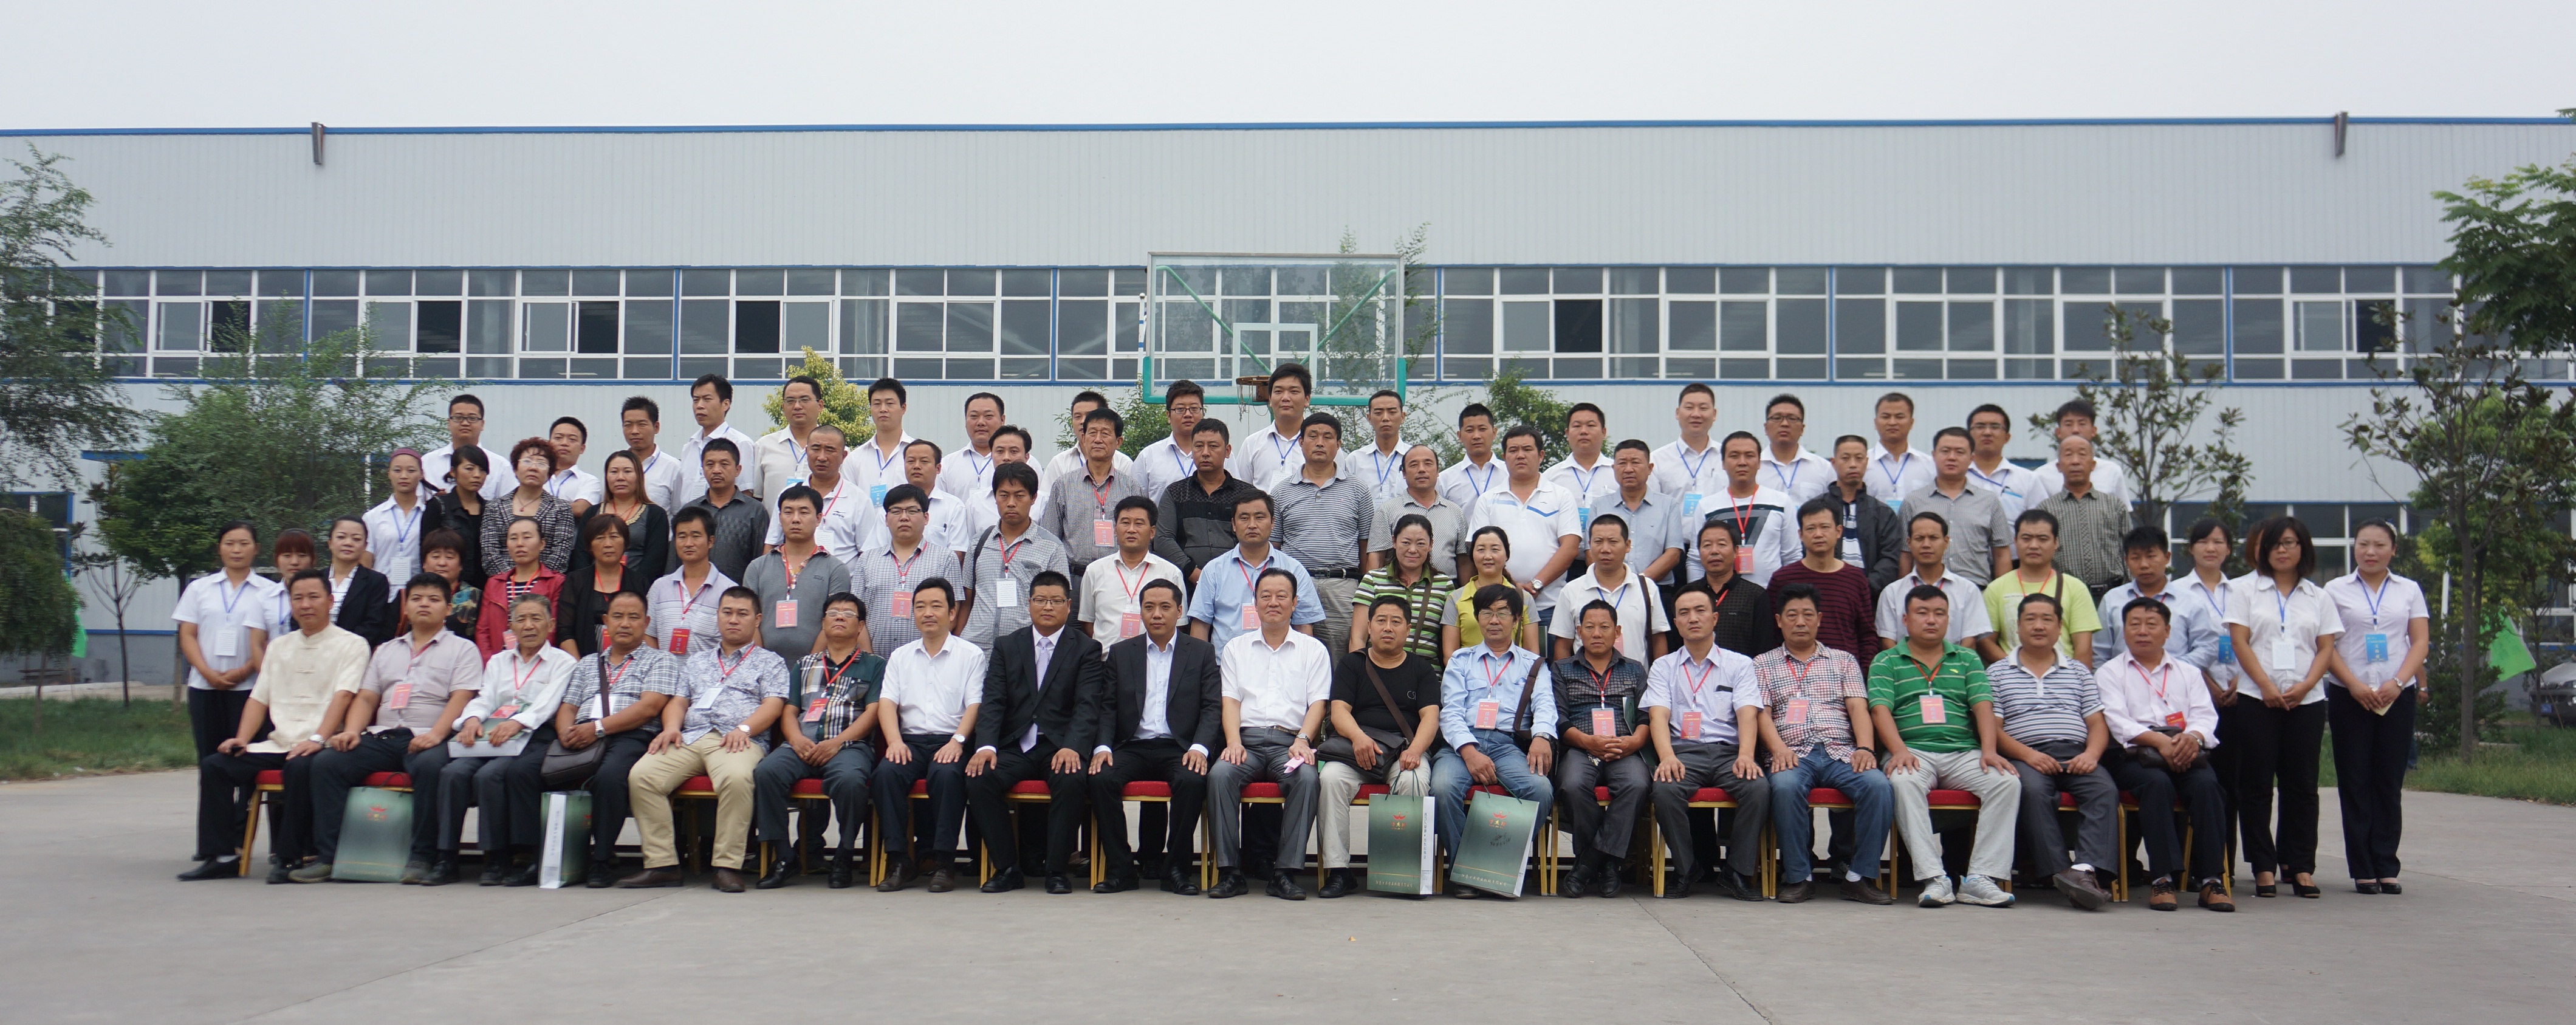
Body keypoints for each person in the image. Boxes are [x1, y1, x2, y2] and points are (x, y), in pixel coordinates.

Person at [177, 569, 360, 882]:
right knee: (216, 766)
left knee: (299, 768)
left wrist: (318, 738)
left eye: (314, 597)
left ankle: (289, 858)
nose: (306, 605)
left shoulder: (352, 644)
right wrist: (242, 739)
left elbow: (344, 697)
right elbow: (259, 699)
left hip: (322, 745)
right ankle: (221, 856)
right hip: (278, 743)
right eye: (298, 598)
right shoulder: (279, 646)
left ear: (330, 602)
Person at [302, 573, 479, 884]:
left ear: (448, 608)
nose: (424, 605)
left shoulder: (464, 649)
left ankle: (423, 857)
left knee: (430, 767)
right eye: (417, 599)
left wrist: (436, 734)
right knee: (328, 763)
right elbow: (367, 697)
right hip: (383, 735)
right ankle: (329, 857)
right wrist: (352, 731)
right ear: (405, 607)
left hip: (430, 734)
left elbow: (461, 697)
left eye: (434, 599)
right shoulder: (385, 650)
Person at [618, 586, 789, 892]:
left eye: (742, 614)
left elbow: (773, 705)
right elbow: (679, 701)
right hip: (691, 737)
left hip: (738, 740)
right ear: (717, 616)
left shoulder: (771, 662)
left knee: (737, 779)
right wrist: (671, 728)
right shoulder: (697, 661)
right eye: (727, 612)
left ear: (757, 620)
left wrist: (745, 729)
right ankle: (662, 865)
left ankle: (727, 867)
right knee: (643, 776)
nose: (733, 620)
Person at [1870, 584, 2021, 908]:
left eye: (1939, 613)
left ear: (1949, 619)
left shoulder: (1966, 659)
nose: (1931, 620)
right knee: (1903, 782)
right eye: (1922, 613)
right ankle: (1934, 877)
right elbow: (1880, 710)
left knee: (2007, 782)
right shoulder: (1887, 660)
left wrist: (1990, 750)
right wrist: (1898, 750)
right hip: (1912, 751)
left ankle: (1981, 878)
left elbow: (1983, 707)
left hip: (1963, 752)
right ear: (1905, 620)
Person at [1750, 582, 1894, 905]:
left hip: (1840, 751)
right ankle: (1798, 877)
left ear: (1819, 619)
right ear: (1779, 621)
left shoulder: (1843, 660)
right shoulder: (1762, 663)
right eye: (1792, 615)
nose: (1800, 622)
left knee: (1878, 786)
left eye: (1807, 615)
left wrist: (1865, 748)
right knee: (1785, 787)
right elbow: (1761, 714)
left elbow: (1858, 708)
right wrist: (1778, 750)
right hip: (1791, 752)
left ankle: (1859, 877)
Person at [965, 570, 1103, 894]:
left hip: (1059, 746)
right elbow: (994, 701)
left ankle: (1056, 870)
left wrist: (1073, 746)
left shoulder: (1086, 649)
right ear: (1029, 604)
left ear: (1069, 606)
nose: (1048, 607)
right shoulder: (1007, 646)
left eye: (1056, 601)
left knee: (1071, 779)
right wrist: (986, 746)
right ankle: (1007, 868)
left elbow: (1087, 705)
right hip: (1016, 745)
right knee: (979, 777)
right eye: (1040, 600)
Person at [1087, 578, 1222, 895]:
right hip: (1132, 745)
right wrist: (1103, 746)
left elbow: (1212, 706)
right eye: (1149, 607)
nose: (1157, 614)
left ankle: (1176, 870)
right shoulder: (1122, 653)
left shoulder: (1201, 652)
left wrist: (1200, 748)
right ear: (1141, 612)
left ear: (1180, 611)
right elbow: (1107, 707)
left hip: (1179, 747)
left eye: (1165, 607)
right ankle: (1121, 869)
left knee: (1192, 780)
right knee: (1100, 778)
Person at [1204, 568, 1333, 900]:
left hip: (1289, 744)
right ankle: (1230, 872)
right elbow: (1230, 702)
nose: (1273, 603)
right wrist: (1233, 742)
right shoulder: (1236, 648)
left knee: (1307, 779)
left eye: (1281, 596)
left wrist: (1303, 740)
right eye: (1266, 596)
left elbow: (1318, 704)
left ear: (1295, 603)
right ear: (1255, 602)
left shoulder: (1313, 650)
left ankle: (1284, 873)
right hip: (1245, 742)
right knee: (1220, 775)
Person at [2099, 597, 2235, 911]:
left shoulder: (2188, 672)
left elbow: (2205, 715)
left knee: (2208, 787)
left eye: (2151, 625)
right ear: (2124, 630)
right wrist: (2159, 742)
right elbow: (2116, 720)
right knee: (2157, 785)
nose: (2142, 631)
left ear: (2168, 631)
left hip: (2185, 749)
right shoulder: (2109, 672)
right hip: (2134, 756)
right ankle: (2163, 878)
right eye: (2134, 624)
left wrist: (2193, 737)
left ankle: (2211, 880)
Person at [2227, 517, 2337, 900]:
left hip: (2307, 700)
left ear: (2303, 548)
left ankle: (2301, 865)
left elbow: (2326, 647)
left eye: (2290, 543)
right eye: (2275, 544)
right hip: (2257, 699)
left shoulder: (2318, 596)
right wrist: (2266, 686)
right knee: (2256, 784)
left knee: (2302, 785)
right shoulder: (2244, 590)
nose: (2282, 550)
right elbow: (2240, 642)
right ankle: (2263, 866)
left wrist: (2306, 685)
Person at [1985, 593, 2118, 910]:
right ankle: (2061, 871)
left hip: (2076, 753)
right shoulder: (1997, 672)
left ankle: (2083, 870)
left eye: (2047, 619)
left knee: (2105, 789)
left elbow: (2097, 723)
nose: (2039, 626)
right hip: (2024, 755)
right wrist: (2028, 755)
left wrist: (2092, 755)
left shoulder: (2079, 671)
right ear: (2018, 627)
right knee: (2032, 791)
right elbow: (1993, 729)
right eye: (2030, 619)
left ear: (2060, 628)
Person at [437, 592, 577, 886]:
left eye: (536, 618)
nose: (529, 625)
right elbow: (485, 697)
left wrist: (518, 722)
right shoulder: (499, 661)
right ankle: (446, 858)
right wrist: (471, 719)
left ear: (550, 624)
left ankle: (496, 859)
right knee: (452, 774)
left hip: (535, 734)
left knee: (490, 776)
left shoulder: (563, 662)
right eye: (521, 619)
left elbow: (549, 703)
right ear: (511, 626)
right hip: (493, 731)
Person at [1643, 583, 1770, 901]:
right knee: (1665, 790)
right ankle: (1687, 869)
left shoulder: (1739, 664)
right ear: (1676, 623)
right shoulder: (1663, 666)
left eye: (1700, 611)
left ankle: (1736, 871)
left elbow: (1748, 713)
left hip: (1729, 753)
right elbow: (1658, 716)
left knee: (1757, 788)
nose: (1693, 618)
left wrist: (1746, 755)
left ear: (1715, 617)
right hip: (1684, 753)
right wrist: (1667, 757)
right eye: (1684, 613)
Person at [2323, 519, 2430, 895]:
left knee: (2388, 781)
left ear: (2393, 550)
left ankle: (2386, 864)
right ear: (2354, 548)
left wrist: (2398, 683)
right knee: (2355, 780)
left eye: (2380, 545)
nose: (2370, 552)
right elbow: (2326, 645)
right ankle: (2362, 868)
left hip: (2395, 695)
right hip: (2349, 694)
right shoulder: (2335, 590)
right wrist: (2353, 685)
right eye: (2363, 544)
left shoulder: (2409, 590)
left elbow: (2419, 642)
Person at [1430, 584, 1557, 899]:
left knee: (1540, 789)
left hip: (1507, 745)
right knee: (1442, 788)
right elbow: (1450, 712)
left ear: (1517, 620)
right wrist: (1469, 752)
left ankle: (1496, 865)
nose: (1494, 620)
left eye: (1502, 613)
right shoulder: (1461, 660)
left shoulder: (1534, 664)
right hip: (1461, 744)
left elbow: (1545, 705)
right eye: (1487, 613)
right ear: (1478, 618)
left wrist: (1542, 736)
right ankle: (1464, 871)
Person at [1314, 594, 1444, 898]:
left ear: (1408, 629)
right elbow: (1339, 712)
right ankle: (1338, 871)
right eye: (1381, 621)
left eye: (1396, 622)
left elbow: (1430, 718)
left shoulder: (1421, 668)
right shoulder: (1351, 664)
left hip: (1403, 751)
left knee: (1413, 779)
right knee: (1330, 779)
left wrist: (1415, 750)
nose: (1388, 628)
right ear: (1369, 626)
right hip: (1356, 751)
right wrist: (1359, 738)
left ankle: (1401, 871)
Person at [752, 591, 882, 890]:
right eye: (833, 613)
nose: (840, 617)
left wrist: (837, 743)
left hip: (848, 746)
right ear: (823, 622)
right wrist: (795, 739)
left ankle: (844, 855)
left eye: (848, 614)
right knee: (766, 773)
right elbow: (790, 710)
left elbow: (873, 712)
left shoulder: (874, 665)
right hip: (802, 744)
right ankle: (785, 856)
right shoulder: (804, 664)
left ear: (861, 626)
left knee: (851, 781)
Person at [552, 589, 680, 886]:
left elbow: (649, 708)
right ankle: (545, 857)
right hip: (582, 735)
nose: (625, 623)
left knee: (610, 777)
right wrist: (565, 735)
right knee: (543, 772)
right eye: (618, 616)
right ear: (606, 621)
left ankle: (601, 859)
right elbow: (568, 707)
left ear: (646, 623)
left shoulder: (661, 660)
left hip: (631, 735)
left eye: (634, 617)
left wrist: (597, 728)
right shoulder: (587, 663)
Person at [872, 578, 983, 893]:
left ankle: (944, 861)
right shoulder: (900, 656)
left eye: (936, 606)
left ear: (952, 613)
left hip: (952, 740)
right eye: (920, 607)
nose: (928, 613)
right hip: (909, 741)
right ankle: (898, 860)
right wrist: (894, 741)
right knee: (886, 774)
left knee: (947, 776)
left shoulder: (971, 655)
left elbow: (975, 705)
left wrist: (957, 742)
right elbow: (887, 703)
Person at [1551, 599, 1653, 897]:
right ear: (1579, 631)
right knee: (1572, 785)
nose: (1597, 633)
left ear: (1617, 632)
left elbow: (1646, 716)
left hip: (1625, 748)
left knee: (1637, 784)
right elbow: (1559, 718)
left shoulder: (1634, 670)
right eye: (1590, 627)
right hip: (1581, 747)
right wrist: (1588, 742)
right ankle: (1608, 865)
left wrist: (1635, 742)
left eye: (1605, 627)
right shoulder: (1561, 669)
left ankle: (1589, 864)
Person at [1272, 412, 1375, 654]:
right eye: (1313, 436)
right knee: (1293, 653)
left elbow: (1367, 545)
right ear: (1301, 442)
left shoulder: (1358, 489)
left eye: (1328, 437)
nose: (1320, 443)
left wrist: (1364, 588)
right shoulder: (1281, 492)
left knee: (1341, 656)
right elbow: (1274, 546)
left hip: (1343, 586)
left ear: (1338, 444)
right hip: (1295, 584)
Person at [1461, 425, 1581, 631]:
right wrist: (1512, 587)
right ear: (1504, 457)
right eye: (1513, 450)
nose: (1520, 455)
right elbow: (1478, 550)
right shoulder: (1488, 500)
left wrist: (1536, 584)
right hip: (1499, 607)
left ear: (1541, 455)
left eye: (1527, 449)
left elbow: (1570, 547)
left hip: (1550, 606)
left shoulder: (1561, 496)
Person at [1036, 406, 1159, 595]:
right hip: (1073, 579)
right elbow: (1050, 539)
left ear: (1118, 442)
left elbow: (1143, 539)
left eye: (1105, 433)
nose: (1098, 439)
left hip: (1118, 578)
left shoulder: (1131, 487)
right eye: (1092, 433)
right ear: (1084, 438)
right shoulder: (1063, 485)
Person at [1187, 492, 1326, 648]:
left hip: (1282, 659)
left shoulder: (1294, 569)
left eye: (1259, 517)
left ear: (1273, 522)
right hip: (1227, 660)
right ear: (1233, 524)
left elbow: (1304, 624)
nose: (1252, 525)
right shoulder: (1214, 570)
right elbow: (1201, 625)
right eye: (1244, 518)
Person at [961, 462, 1071, 650]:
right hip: (976, 647)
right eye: (1004, 495)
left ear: (1034, 498)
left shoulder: (1052, 547)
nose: (1011, 503)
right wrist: (959, 643)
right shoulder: (979, 542)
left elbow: (1060, 605)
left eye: (1019, 496)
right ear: (995, 497)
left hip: (1023, 651)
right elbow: (967, 599)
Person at [742, 484, 851, 668]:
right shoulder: (757, 567)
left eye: (804, 512)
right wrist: (763, 663)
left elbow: (834, 622)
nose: (795, 519)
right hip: (762, 666)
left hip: (819, 666)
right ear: (779, 518)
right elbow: (748, 618)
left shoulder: (835, 569)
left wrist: (809, 665)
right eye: (788, 512)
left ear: (818, 519)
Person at [1875, 511, 2002, 661]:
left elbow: (1970, 642)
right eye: (1919, 538)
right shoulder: (1892, 592)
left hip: (1955, 669)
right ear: (1909, 543)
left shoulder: (1968, 590)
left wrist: (1946, 668)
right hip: (1904, 670)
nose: (1926, 545)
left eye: (1933, 538)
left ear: (1946, 542)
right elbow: (1888, 642)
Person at [2094, 526, 2223, 670]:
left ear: (2167, 557)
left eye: (2151, 556)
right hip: (2122, 680)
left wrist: (2172, 669)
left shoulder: (2190, 601)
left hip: (2176, 680)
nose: (2144, 565)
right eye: (2135, 558)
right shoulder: (2112, 600)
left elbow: (2207, 647)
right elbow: (2100, 653)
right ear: (2126, 561)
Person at [1982, 509, 2101, 666]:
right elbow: (1986, 643)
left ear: (2056, 543)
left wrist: (2074, 678)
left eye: (2043, 539)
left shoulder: (2075, 588)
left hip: (2063, 676)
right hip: (2012, 676)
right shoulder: (1996, 588)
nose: (2034, 546)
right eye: (2026, 539)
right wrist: (2015, 669)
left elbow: (2083, 648)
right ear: (2015, 541)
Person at [1767, 498, 1879, 660]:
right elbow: (1771, 633)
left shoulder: (1855, 579)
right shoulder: (1783, 579)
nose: (1818, 534)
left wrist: (1862, 671)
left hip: (1845, 672)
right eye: (1811, 528)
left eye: (1825, 527)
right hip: (1793, 670)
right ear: (1801, 535)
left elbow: (1867, 635)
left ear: (1839, 531)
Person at [1902, 427, 2016, 586]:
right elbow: (1905, 553)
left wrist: (2001, 593)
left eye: (1960, 452)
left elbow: (2001, 554)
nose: (1952, 457)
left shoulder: (1989, 501)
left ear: (1971, 458)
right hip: (1925, 590)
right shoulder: (1914, 501)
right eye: (1945, 451)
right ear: (1934, 455)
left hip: (1976, 589)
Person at [1549, 515, 1670, 663]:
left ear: (1627, 545)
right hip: (1585, 677)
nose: (1605, 549)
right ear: (1590, 545)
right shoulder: (1571, 590)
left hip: (1637, 677)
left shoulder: (1646, 588)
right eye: (1598, 542)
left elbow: (1658, 639)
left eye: (1613, 542)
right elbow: (1563, 645)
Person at [1682, 432, 1796, 587]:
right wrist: (1699, 596)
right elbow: (1696, 560)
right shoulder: (1707, 506)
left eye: (1749, 456)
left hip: (1771, 594)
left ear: (1759, 462)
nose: (1742, 462)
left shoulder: (1781, 502)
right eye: (1734, 456)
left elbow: (1791, 557)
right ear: (1723, 463)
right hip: (1720, 596)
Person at [1158, 419, 1262, 584]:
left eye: (1213, 446)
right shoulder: (1175, 493)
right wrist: (1193, 573)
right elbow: (1163, 539)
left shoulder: (1247, 495)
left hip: (1238, 581)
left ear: (1227, 451)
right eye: (1199, 446)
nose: (1205, 453)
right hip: (1185, 583)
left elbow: (1256, 538)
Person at [2034, 435, 2131, 597]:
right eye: (2068, 455)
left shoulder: (2115, 506)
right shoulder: (2046, 510)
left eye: (2082, 454)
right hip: (2064, 595)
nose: (2075, 461)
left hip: (2111, 594)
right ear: (2059, 466)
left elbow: (2129, 550)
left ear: (2093, 465)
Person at [1078, 496, 1185, 644]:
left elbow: (1179, 624)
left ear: (1152, 532)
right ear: (1115, 529)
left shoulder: (1171, 573)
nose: (1131, 530)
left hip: (1152, 656)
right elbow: (1088, 622)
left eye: (1139, 524)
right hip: (1106, 656)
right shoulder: (1095, 571)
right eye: (1125, 523)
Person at [1349, 513, 1454, 660]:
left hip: (1427, 671)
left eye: (1421, 544)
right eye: (1406, 542)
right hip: (1377, 669)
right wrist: (1360, 669)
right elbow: (1358, 638)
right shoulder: (1373, 580)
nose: (1413, 550)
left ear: (1431, 545)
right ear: (1394, 541)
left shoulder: (1444, 584)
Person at [855, 484, 944, 656]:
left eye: (912, 511)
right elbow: (856, 614)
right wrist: (871, 661)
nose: (904, 517)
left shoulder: (945, 559)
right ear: (886, 519)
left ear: (926, 517)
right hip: (874, 661)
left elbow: (951, 613)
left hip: (926, 658)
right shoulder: (867, 560)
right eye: (896, 511)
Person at [553, 514, 649, 660]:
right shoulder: (575, 580)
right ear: (590, 545)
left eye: (614, 537)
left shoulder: (639, 582)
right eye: (600, 538)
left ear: (626, 542)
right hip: (582, 661)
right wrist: (581, 666)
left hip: (630, 663)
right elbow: (565, 631)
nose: (608, 544)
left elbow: (645, 630)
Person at [860, 438, 972, 561]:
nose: (917, 466)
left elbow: (957, 554)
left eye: (924, 461)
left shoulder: (954, 507)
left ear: (938, 468)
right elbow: (874, 551)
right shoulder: (892, 505)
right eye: (911, 461)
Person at [1365, 442, 1467, 577]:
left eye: (1428, 464)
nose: (1422, 470)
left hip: (1446, 587)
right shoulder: (1387, 511)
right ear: (1404, 473)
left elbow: (1464, 561)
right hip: (1398, 587)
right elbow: (1376, 557)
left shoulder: (1455, 512)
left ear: (1438, 471)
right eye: (1414, 465)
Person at [764, 425, 863, 564]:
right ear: (807, 452)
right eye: (816, 449)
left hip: (843, 577)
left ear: (843, 456)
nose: (822, 457)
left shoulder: (859, 499)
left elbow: (867, 551)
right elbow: (772, 543)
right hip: (793, 575)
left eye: (830, 450)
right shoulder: (789, 494)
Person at [1818, 435, 1904, 594]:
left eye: (1859, 458)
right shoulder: (1817, 509)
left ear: (1867, 462)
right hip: (1826, 593)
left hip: (1869, 596)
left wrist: (1864, 588)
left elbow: (1890, 559)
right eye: (1845, 458)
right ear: (1833, 462)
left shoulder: (1882, 513)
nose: (1853, 464)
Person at [648, 507, 737, 658]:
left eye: (696, 536)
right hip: (665, 672)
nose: (688, 543)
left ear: (711, 541)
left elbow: (733, 643)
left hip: (708, 673)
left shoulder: (729, 591)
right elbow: (649, 635)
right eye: (682, 537)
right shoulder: (659, 587)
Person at [481, 437, 577, 577]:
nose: (533, 468)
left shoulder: (561, 509)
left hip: (546, 584)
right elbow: (490, 554)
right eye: (527, 461)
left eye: (541, 463)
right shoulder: (495, 507)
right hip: (502, 583)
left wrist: (534, 581)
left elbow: (560, 556)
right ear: (515, 468)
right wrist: (511, 580)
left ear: (549, 473)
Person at [476, 516, 566, 658]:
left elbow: (552, 629)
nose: (520, 544)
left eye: (527, 537)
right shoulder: (495, 583)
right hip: (499, 661)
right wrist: (491, 663)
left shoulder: (555, 582)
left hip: (539, 660)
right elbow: (483, 630)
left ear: (542, 544)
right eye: (513, 538)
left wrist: (534, 659)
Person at [1601, 439, 1685, 588]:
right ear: (1613, 468)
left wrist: (1638, 583)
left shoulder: (1668, 505)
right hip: (1609, 587)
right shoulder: (1600, 506)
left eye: (1635, 463)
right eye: (1622, 463)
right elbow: (1591, 551)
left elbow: (1673, 553)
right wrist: (1617, 583)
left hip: (1657, 588)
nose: (1628, 469)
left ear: (1650, 468)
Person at [1445, 526, 1540, 654]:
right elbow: (1450, 654)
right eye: (1481, 550)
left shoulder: (1524, 598)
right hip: (1467, 667)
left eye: (1495, 550)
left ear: (1507, 555)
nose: (1488, 556)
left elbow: (1532, 652)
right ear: (1472, 555)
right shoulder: (1456, 598)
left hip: (1514, 667)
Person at [1543, 403, 1621, 557]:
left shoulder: (1617, 473)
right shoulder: (1551, 477)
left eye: (1591, 425)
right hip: (1562, 561)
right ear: (1567, 433)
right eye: (1577, 426)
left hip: (1609, 559)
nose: (1584, 431)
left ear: (1604, 432)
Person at [684, 437, 767, 581]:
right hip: (694, 590)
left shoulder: (754, 511)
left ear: (738, 470)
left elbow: (760, 560)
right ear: (703, 469)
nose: (716, 470)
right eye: (710, 465)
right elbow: (677, 559)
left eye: (724, 464)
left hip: (738, 591)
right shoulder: (691, 511)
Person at [1696, 521, 1780, 658]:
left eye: (1722, 544)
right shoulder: (1689, 594)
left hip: (1743, 671)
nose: (1714, 551)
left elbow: (1764, 649)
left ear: (1736, 551)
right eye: (1707, 545)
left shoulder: (1755, 595)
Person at [2029, 399, 2133, 509]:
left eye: (2082, 424)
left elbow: (2123, 512)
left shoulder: (2112, 471)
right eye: (2068, 424)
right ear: (2058, 432)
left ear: (2093, 431)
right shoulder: (2041, 476)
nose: (2075, 430)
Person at [1227, 365, 1313, 492]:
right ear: (1270, 400)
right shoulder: (1252, 444)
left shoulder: (1322, 445)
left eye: (1294, 392)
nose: (1285, 398)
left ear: (1307, 399)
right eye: (1278, 392)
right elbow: (1240, 492)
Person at [677, 374, 759, 504]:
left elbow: (745, 496)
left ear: (725, 404)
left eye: (707, 399)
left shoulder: (741, 443)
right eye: (696, 400)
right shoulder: (689, 447)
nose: (699, 405)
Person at [595, 449, 674, 577]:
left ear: (639, 477)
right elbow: (582, 555)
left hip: (639, 585)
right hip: (596, 583)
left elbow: (655, 560)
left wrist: (634, 585)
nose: (620, 478)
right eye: (614, 472)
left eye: (627, 472)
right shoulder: (592, 513)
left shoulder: (656, 514)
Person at [322, 516, 398, 648]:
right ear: (330, 543)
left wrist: (340, 647)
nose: (348, 543)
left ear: (365, 546)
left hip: (354, 651)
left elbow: (373, 624)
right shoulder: (316, 578)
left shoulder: (376, 582)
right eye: (341, 537)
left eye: (356, 539)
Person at [965, 425, 1054, 538]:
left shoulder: (1043, 502)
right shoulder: (975, 502)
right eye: (1000, 451)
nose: (1006, 458)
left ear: (1027, 457)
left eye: (1014, 451)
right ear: (991, 456)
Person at [361, 447, 431, 589]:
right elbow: (366, 562)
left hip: (418, 592)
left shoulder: (429, 514)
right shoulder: (373, 517)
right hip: (382, 592)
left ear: (421, 474)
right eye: (397, 470)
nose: (404, 476)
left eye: (411, 471)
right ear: (389, 474)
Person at [1041, 389, 1136, 492]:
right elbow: (1047, 498)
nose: (1083, 421)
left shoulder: (1123, 463)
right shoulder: (1059, 463)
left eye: (1089, 415)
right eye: (1077, 417)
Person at [848, 377, 919, 512]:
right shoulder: (854, 458)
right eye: (877, 404)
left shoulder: (919, 455)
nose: (883, 409)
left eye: (889, 403)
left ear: (903, 408)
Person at [421, 394, 509, 503]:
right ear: (449, 423)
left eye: (472, 418)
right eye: (458, 418)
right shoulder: (427, 463)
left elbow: (510, 506)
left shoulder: (500, 466)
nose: (465, 423)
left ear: (482, 424)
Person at [1342, 388, 1424, 504]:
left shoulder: (1417, 457)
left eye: (1392, 412)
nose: (1385, 418)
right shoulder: (1355, 460)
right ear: (1369, 418)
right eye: (1378, 413)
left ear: (1402, 417)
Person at [751, 375, 826, 501]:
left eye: (804, 400)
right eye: (790, 401)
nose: (797, 406)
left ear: (820, 406)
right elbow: (756, 498)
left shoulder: (835, 450)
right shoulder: (764, 446)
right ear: (783, 407)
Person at [426, 445, 492, 585]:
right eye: (469, 469)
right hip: (448, 586)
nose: (477, 475)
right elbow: (426, 551)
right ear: (453, 472)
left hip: (487, 588)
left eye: (482, 470)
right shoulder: (439, 506)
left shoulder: (491, 509)